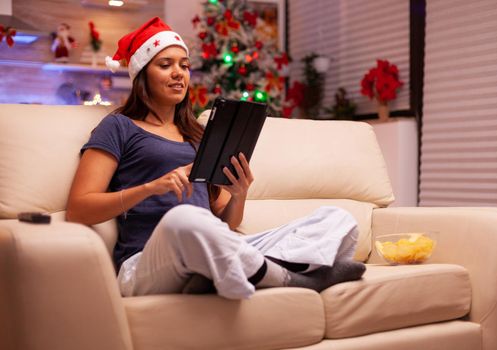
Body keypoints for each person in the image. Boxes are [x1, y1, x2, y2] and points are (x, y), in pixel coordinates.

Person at [66, 17, 365, 300]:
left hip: (212, 244)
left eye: (184, 65)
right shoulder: (118, 126)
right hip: (146, 261)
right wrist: (150, 188)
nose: (178, 73)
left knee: (338, 219)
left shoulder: (197, 134)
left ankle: (217, 272)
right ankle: (288, 276)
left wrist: (239, 194)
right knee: (185, 218)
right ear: (142, 74)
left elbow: (227, 223)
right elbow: (78, 210)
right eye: (165, 65)